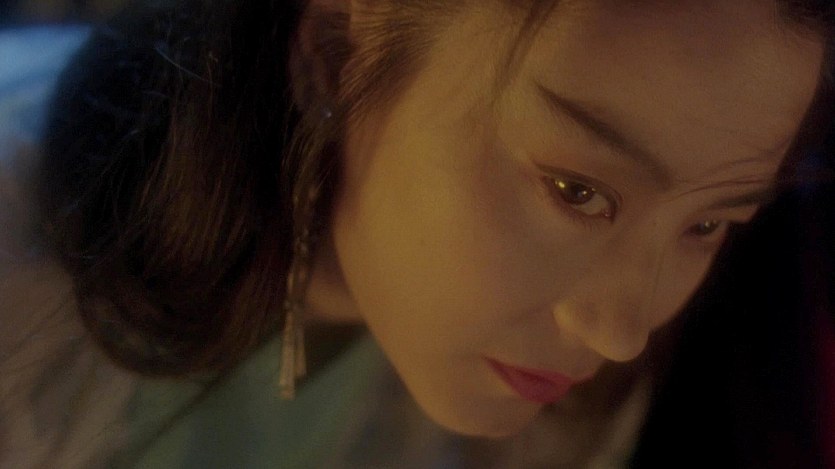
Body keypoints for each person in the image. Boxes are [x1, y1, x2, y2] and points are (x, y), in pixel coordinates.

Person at [1, 0, 833, 467]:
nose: (618, 332)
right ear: (335, 51)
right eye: (575, 190)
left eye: (707, 223)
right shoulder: (22, 294)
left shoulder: (555, 410)